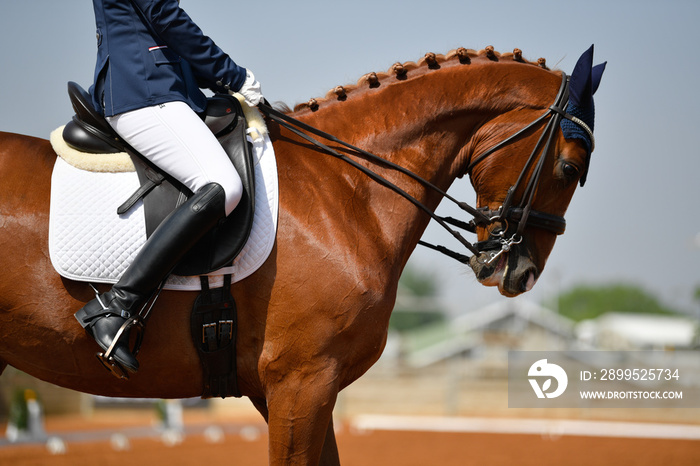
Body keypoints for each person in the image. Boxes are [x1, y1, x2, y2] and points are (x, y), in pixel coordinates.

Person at [74, 0, 263, 376]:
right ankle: (117, 303)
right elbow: (163, 15)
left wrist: (219, 82)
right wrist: (232, 75)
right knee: (223, 185)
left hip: (161, 83)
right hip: (143, 87)